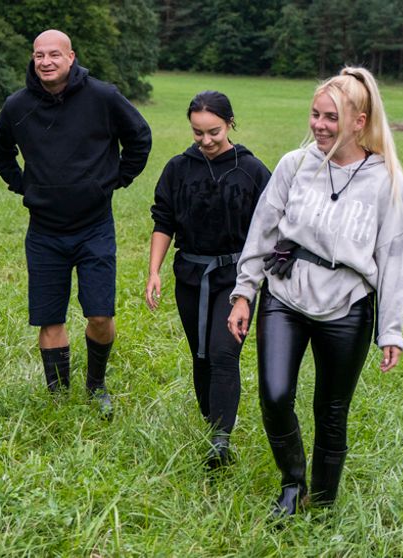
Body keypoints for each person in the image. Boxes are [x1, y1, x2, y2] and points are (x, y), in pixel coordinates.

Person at [226, 67, 403, 517]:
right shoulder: (295, 164)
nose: (319, 125)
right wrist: (244, 292)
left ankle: (324, 500)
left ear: (359, 121)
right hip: (285, 294)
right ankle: (293, 484)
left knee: (331, 410)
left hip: (347, 304)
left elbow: (396, 255)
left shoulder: (385, 180)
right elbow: (262, 229)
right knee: (273, 395)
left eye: (330, 117)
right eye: (315, 115)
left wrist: (391, 329)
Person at [0, 29, 152, 417]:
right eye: (38, 55)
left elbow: (140, 138)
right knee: (50, 318)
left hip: (94, 226)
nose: (45, 62)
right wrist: (25, 185)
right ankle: (59, 398)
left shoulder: (103, 96)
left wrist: (114, 180)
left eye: (54, 55)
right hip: (44, 230)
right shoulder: (18, 105)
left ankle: (96, 384)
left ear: (71, 57)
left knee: (100, 315)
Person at [145, 91, 270, 467]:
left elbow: (267, 231)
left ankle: (221, 440)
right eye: (198, 133)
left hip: (236, 277)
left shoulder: (252, 170)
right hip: (190, 275)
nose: (206, 140)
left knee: (222, 352)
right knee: (200, 353)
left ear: (230, 123)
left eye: (213, 131)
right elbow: (163, 220)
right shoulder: (178, 168)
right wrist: (154, 270)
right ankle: (210, 421)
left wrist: (255, 283)